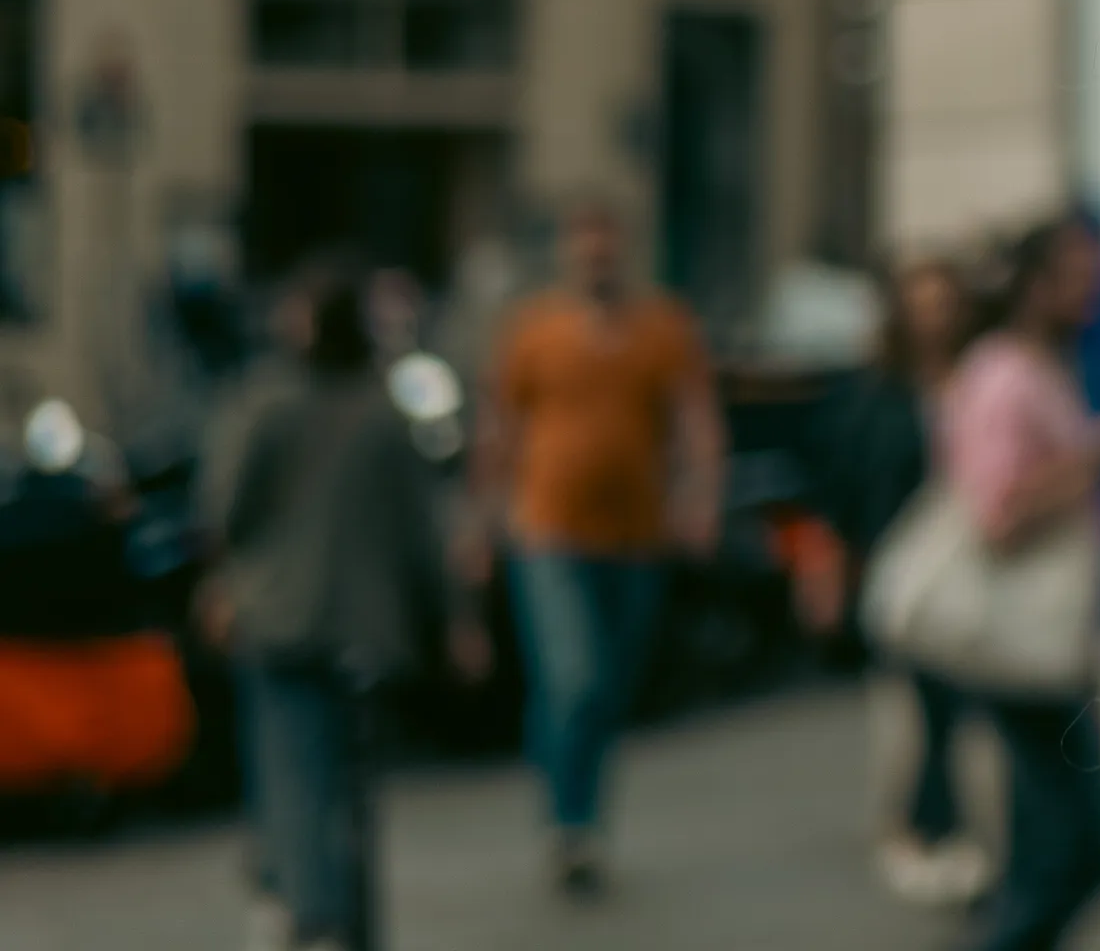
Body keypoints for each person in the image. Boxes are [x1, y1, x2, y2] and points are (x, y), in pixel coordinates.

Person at [200, 257, 483, 951]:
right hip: (365, 630)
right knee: (354, 792)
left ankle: (308, 909)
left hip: (279, 618)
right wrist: (457, 619)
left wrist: (223, 582)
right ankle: (351, 922)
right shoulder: (384, 413)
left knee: (291, 776)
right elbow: (423, 529)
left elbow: (226, 509)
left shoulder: (268, 405)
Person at [469, 197, 723, 897]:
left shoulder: (663, 327)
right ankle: (566, 822)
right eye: (584, 244)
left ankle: (585, 814)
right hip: (548, 531)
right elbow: (499, 430)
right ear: (566, 253)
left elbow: (695, 419)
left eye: (606, 244)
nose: (596, 257)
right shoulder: (533, 330)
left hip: (638, 538)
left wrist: (700, 496)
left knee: (608, 687)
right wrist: (479, 524)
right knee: (572, 677)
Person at [939, 216, 1100, 951]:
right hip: (1019, 646)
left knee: (1046, 848)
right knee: (1080, 841)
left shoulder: (1034, 367)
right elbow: (999, 512)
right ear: (1036, 286)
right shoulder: (1006, 375)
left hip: (1040, 641)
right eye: (1077, 278)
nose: (1092, 293)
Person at [818, 255, 989, 905]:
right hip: (902, 574)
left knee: (962, 710)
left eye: (943, 304)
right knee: (910, 710)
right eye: (921, 305)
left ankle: (953, 830)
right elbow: (846, 489)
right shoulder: (878, 396)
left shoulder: (981, 380)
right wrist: (832, 571)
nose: (933, 318)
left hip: (972, 569)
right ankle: (913, 828)